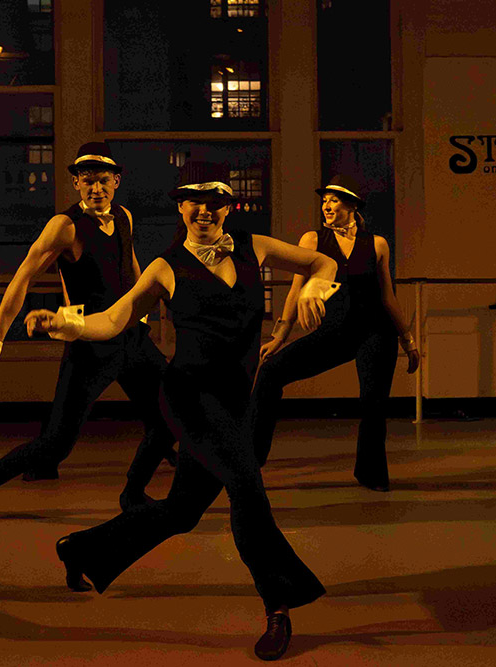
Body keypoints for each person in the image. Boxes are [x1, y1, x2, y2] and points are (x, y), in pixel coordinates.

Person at [25, 163, 338, 661]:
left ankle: (81, 550)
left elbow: (322, 263)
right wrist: (67, 324)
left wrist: (319, 289)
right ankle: (279, 604)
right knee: (246, 486)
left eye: (214, 201)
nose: (203, 210)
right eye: (192, 200)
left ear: (228, 208)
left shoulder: (256, 247)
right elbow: (114, 317)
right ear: (180, 208)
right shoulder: (165, 267)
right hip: (188, 397)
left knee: (182, 512)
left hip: (236, 399)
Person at [0, 142, 176, 525]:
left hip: (132, 340)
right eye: (87, 182)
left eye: (102, 181)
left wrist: (144, 320)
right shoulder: (64, 226)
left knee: (172, 412)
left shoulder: (125, 217)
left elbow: (132, 268)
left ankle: (133, 492)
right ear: (77, 184)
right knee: (55, 444)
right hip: (89, 346)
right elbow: (24, 277)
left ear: (116, 181)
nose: (95, 189)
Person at [246, 175, 420, 492]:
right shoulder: (313, 241)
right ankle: (250, 461)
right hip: (335, 333)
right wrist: (280, 336)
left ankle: (370, 473)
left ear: (352, 205)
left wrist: (408, 342)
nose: (326, 205)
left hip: (375, 332)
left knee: (373, 403)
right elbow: (296, 290)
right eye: (324, 200)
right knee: (270, 372)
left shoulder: (376, 244)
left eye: (333, 200)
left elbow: (388, 297)